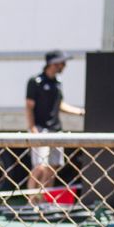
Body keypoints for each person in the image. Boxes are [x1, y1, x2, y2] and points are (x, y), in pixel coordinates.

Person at [25, 51, 83, 199]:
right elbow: (29, 107)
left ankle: (45, 200)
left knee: (53, 167)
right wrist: (32, 128)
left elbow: (59, 105)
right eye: (62, 63)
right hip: (40, 128)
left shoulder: (57, 83)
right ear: (53, 64)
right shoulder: (35, 81)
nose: (64, 66)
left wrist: (80, 112)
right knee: (40, 166)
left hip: (56, 129)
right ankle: (31, 201)